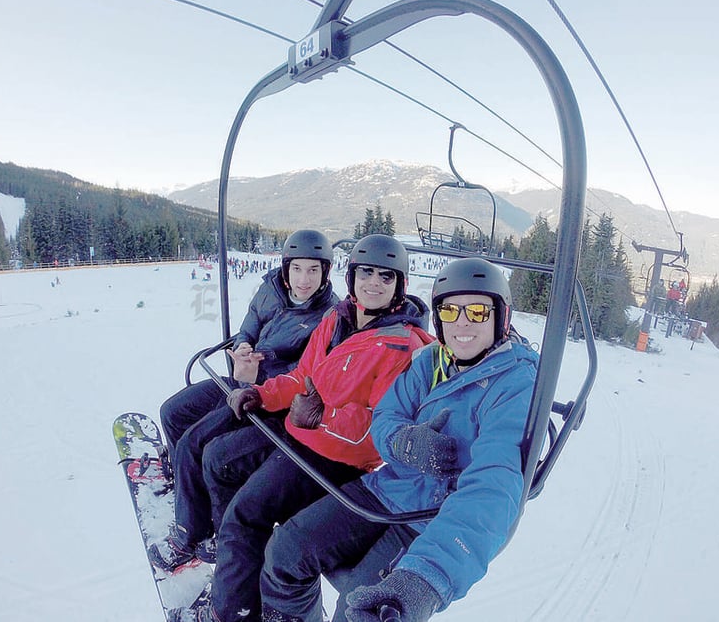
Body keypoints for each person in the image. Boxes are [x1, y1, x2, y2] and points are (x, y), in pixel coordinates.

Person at [167, 234, 434, 622]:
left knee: (247, 515)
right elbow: (302, 379)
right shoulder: (337, 319)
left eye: (386, 277)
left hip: (335, 460)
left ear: (400, 285)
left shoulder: (401, 346)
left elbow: (376, 430)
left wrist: (322, 416)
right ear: (352, 277)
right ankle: (235, 583)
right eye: (366, 274)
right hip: (300, 434)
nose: (374, 284)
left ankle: (230, 611)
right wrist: (261, 394)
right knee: (220, 461)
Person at [259, 257, 540, 622]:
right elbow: (386, 418)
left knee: (359, 609)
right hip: (389, 489)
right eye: (451, 310)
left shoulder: (515, 384)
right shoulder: (430, 362)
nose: (463, 323)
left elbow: (493, 485)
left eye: (477, 311)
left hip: (434, 517)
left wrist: (426, 578)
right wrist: (405, 443)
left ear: (501, 318)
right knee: (286, 551)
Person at [148, 229, 339, 569]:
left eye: (313, 270)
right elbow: (250, 325)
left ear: (326, 273)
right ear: (286, 269)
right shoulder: (272, 290)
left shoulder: (327, 317)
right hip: (240, 379)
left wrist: (258, 377)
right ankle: (189, 491)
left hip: (264, 397)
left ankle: (189, 533)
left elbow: (308, 372)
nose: (304, 279)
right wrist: (243, 347)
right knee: (174, 412)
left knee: (197, 443)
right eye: (297, 269)